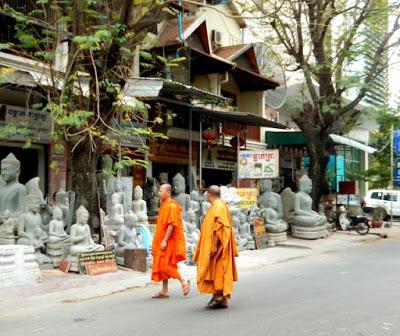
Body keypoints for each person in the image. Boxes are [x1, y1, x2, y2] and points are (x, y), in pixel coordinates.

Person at [193, 185, 238, 309]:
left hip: (217, 247)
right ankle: (220, 297)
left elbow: (222, 228)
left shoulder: (218, 207)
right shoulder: (217, 206)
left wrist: (214, 245)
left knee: (218, 270)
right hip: (213, 245)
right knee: (214, 271)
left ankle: (219, 296)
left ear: (209, 194)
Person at [151, 183, 190, 298]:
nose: (159, 192)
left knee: (165, 264)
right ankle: (164, 290)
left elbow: (171, 224)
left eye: (161, 190)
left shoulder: (172, 206)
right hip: (161, 238)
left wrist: (164, 240)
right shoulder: (164, 204)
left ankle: (183, 280)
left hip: (168, 240)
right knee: (162, 263)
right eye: (159, 190)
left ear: (168, 192)